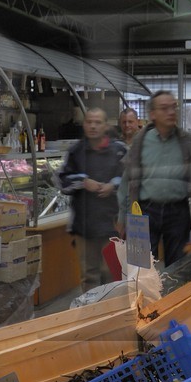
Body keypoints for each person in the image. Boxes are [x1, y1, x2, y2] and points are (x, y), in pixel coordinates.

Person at [118, 91, 191, 266]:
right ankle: (144, 295)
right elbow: (126, 183)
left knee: (179, 268)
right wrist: (123, 218)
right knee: (140, 268)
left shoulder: (188, 144)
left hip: (178, 214)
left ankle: (176, 295)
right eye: (164, 108)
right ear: (152, 114)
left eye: (173, 107)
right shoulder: (140, 143)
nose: (171, 112)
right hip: (143, 212)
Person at [61, 108, 126, 288]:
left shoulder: (119, 151)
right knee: (89, 276)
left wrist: (113, 185)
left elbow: (132, 180)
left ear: (105, 126)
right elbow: (62, 181)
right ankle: (91, 314)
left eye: (98, 122)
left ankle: (110, 313)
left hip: (112, 225)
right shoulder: (75, 151)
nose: (93, 126)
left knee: (111, 273)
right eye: (89, 122)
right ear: (84, 124)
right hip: (84, 226)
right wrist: (83, 182)